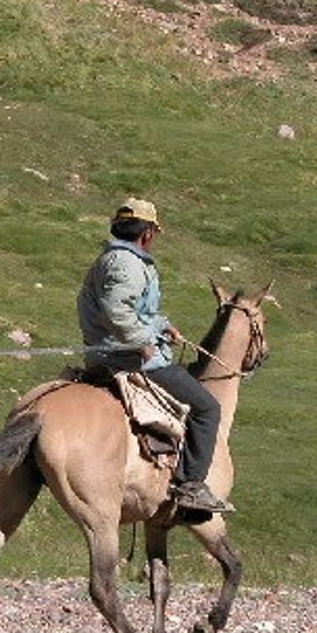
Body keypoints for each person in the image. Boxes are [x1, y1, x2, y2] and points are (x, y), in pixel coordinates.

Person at [76, 198, 233, 514]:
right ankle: (190, 486)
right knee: (207, 408)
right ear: (146, 233)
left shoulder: (115, 259)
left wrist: (161, 325)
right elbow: (117, 310)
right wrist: (141, 342)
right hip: (128, 358)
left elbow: (134, 309)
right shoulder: (128, 263)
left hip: (107, 351)